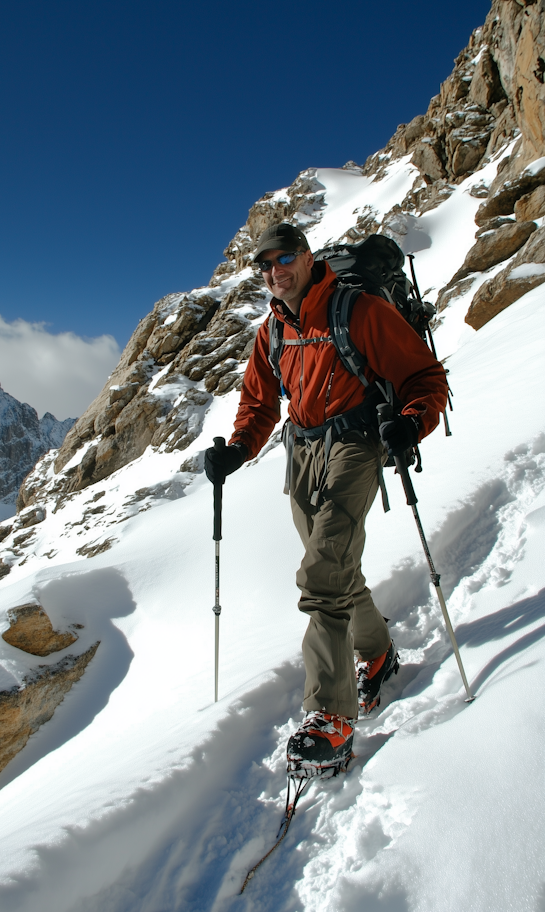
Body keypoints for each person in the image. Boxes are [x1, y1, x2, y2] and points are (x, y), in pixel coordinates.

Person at [205, 222, 449, 777]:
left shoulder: (356, 310)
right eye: (264, 265)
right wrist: (237, 450)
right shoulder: (273, 331)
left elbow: (424, 377)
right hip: (302, 451)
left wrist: (411, 424)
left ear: (307, 255)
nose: (275, 272)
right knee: (335, 565)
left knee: (322, 572)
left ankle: (330, 717)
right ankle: (379, 652)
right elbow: (259, 403)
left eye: (283, 258)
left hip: (356, 444)